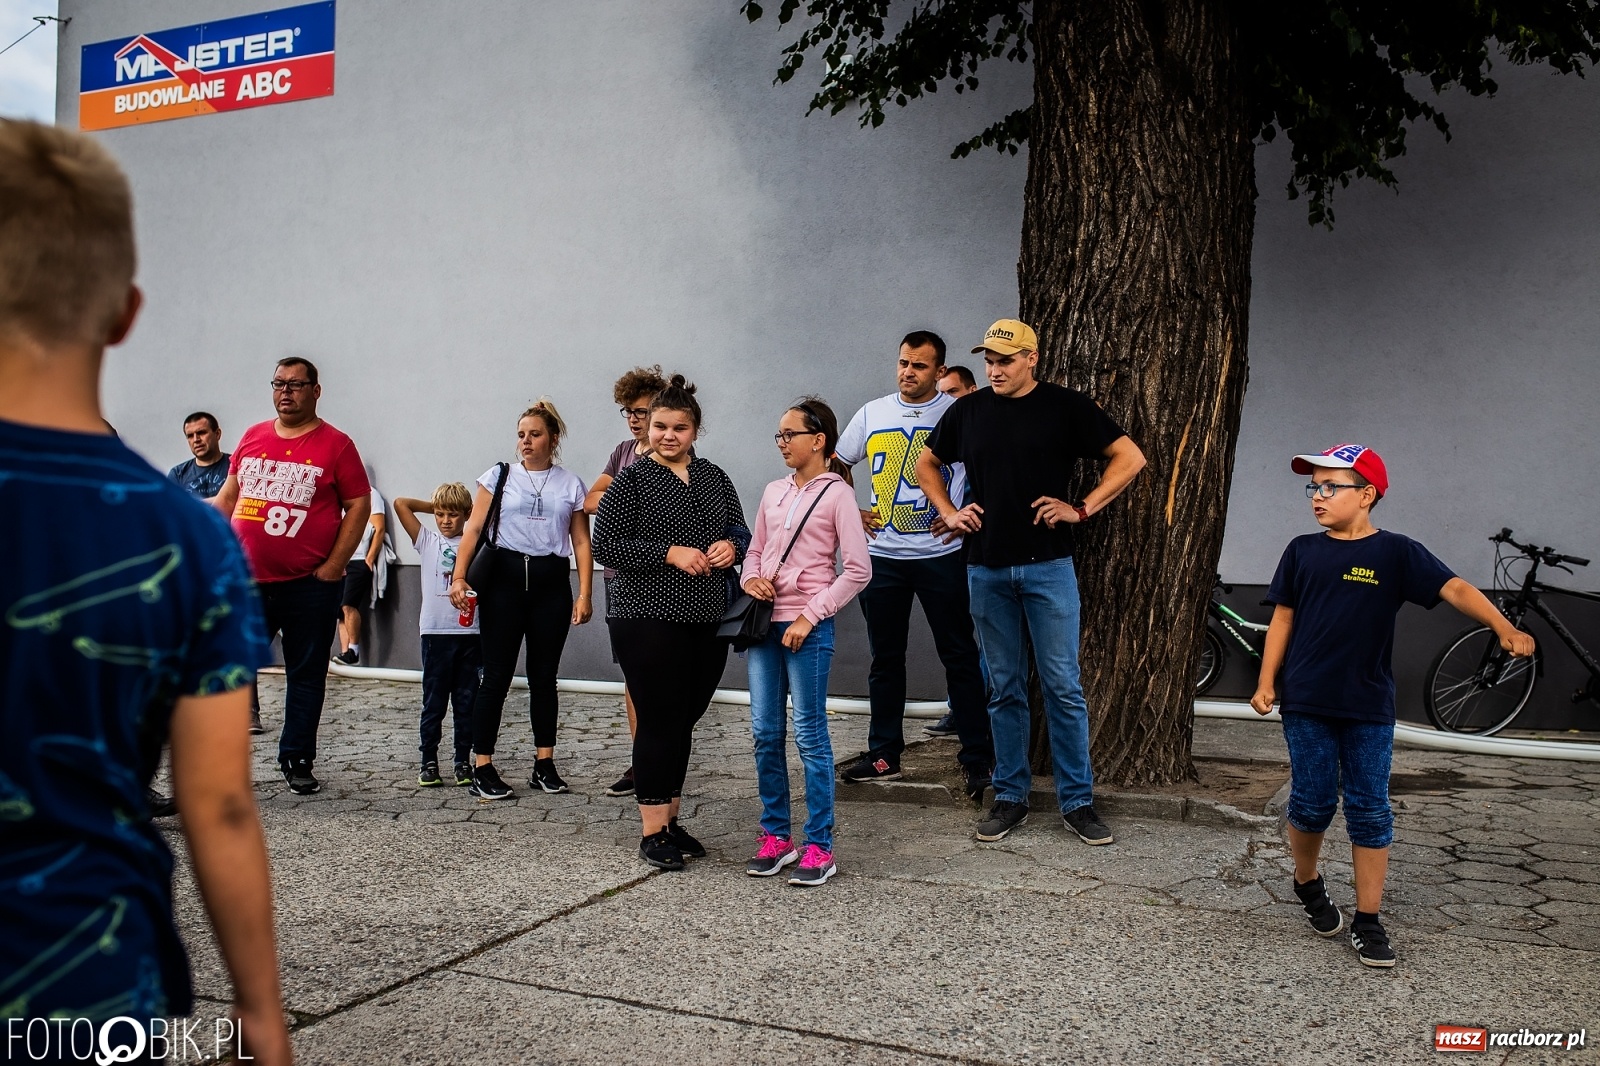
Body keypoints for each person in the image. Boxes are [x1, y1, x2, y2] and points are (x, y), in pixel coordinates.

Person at [0, 118, 291, 1064]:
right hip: (85, 978)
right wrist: (261, 1018)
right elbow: (219, 805)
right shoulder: (188, 537)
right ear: (125, 312)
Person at [1250, 444, 1533, 968]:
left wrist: (1504, 626)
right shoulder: (1301, 550)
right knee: (1311, 802)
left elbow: (1454, 587)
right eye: (1313, 487)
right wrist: (1267, 680)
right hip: (1307, 699)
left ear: (1367, 495)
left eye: (1330, 486)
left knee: (1369, 809)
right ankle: (1307, 881)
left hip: (1368, 703)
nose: (1318, 496)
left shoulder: (1397, 552)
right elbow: (1283, 619)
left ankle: (1368, 921)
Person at [920, 318, 1147, 846]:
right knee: (1003, 688)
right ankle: (1010, 796)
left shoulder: (1065, 407)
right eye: (989, 361)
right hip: (986, 566)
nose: (995, 369)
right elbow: (927, 463)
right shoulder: (968, 411)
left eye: (1005, 360)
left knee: (1063, 688)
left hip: (1049, 567)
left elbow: (1129, 457)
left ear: (1032, 358)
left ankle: (1079, 802)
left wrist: (1082, 508)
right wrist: (949, 511)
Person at [593, 376, 747, 871]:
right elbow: (606, 546)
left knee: (685, 718)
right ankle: (652, 830)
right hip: (645, 616)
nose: (667, 435)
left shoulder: (714, 477)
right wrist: (668, 552)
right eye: (660, 426)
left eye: (679, 427)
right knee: (659, 717)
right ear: (648, 428)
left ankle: (672, 819)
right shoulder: (632, 480)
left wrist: (732, 547)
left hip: (705, 616)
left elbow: (740, 529)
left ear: (695, 430)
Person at [833, 331, 993, 801]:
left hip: (942, 555)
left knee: (959, 656)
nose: (908, 372)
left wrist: (962, 514)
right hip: (883, 557)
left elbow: (987, 469)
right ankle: (884, 753)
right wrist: (851, 510)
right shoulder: (872, 412)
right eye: (903, 363)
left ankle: (977, 757)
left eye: (920, 366)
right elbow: (836, 464)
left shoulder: (958, 413)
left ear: (939, 371)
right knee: (885, 659)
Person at [212, 357, 372, 793]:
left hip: (308, 585)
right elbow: (228, 499)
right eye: (278, 384)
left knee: (305, 675)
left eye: (296, 385)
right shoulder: (252, 436)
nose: (286, 392)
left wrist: (335, 565)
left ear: (315, 391)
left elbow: (359, 504)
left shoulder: (336, 445)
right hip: (247, 584)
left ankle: (297, 759)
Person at [741, 398, 871, 886]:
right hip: (762, 627)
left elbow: (858, 570)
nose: (782, 443)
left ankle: (820, 846)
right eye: (778, 435)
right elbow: (754, 551)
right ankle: (776, 837)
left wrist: (810, 615)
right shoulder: (773, 491)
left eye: (789, 434)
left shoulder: (837, 495)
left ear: (818, 440)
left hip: (807, 630)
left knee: (811, 736)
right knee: (764, 733)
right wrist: (750, 580)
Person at [449, 400, 593, 800]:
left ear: (554, 438)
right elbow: (474, 529)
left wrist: (584, 593)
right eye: (521, 435)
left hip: (550, 585)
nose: (526, 442)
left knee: (545, 678)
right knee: (495, 676)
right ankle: (483, 766)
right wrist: (459, 576)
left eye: (535, 434)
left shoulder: (570, 483)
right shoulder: (499, 476)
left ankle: (544, 764)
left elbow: (581, 540)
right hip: (503, 584)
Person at [585, 364, 670, 797]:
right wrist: (631, 499)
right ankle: (640, 761)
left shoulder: (671, 455)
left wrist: (623, 502)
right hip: (619, 576)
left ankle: (661, 758)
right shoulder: (622, 452)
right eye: (627, 411)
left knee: (663, 674)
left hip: (661, 577)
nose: (634, 419)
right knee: (633, 675)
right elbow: (590, 499)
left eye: (641, 411)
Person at [394, 484, 481, 789]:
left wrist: (464, 513)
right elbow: (401, 502)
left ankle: (462, 761)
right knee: (433, 703)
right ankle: (428, 761)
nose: (445, 520)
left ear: (467, 515)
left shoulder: (474, 543)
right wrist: (436, 505)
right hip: (435, 633)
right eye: (440, 514)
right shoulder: (427, 540)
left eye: (453, 515)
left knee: (466, 702)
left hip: (470, 633)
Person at [926, 362, 982, 737]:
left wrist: (961, 516)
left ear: (971, 391)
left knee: (981, 636)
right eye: (941, 393)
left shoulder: (980, 428)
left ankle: (978, 716)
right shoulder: (945, 433)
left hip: (984, 552)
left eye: (953, 392)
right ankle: (959, 711)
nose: (947, 401)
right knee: (959, 639)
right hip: (947, 554)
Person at [333, 484, 388, 666]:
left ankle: (354, 650)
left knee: (349, 605)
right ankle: (345, 653)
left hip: (359, 559)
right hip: (341, 559)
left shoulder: (372, 494)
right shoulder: (338, 494)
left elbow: (379, 528)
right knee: (340, 610)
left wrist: (369, 559)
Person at [168, 411, 231, 498]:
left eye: (201, 433)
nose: (196, 439)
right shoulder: (178, 474)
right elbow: (171, 507)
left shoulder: (236, 465)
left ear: (217, 434)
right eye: (190, 436)